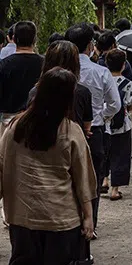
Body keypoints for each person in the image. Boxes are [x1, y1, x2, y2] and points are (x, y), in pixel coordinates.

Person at [0, 68, 97, 264]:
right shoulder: (70, 131)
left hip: (22, 216)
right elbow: (83, 178)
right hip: (60, 216)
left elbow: (3, 166)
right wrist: (88, 216)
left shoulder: (15, 128)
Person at [65, 22, 120, 233]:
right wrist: (102, 117)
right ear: (90, 45)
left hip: (64, 131)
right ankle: (91, 224)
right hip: (94, 131)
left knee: (67, 177)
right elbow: (114, 103)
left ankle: (70, 223)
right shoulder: (101, 72)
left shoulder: (58, 72)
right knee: (93, 179)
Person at [104, 49, 132, 201]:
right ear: (123, 65)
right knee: (120, 155)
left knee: (104, 153)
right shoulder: (127, 83)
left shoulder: (102, 80)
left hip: (103, 123)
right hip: (122, 125)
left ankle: (103, 180)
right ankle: (115, 189)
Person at [0, 21, 43, 133]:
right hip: (37, 124)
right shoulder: (45, 64)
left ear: (13, 39)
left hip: (8, 123)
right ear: (35, 39)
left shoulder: (4, 64)